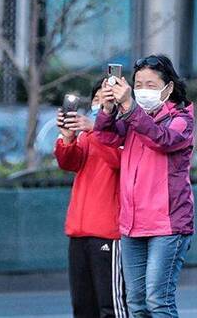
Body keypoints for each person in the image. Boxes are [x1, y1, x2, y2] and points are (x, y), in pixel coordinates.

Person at [94, 55, 194, 317]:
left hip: (168, 225)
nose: (143, 90)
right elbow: (104, 137)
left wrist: (128, 106)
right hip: (132, 223)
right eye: (138, 84)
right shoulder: (133, 117)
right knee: (136, 304)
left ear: (168, 87)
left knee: (158, 301)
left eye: (151, 84)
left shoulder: (182, 119)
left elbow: (162, 139)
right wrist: (107, 109)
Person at [54, 78, 127, 317]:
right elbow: (69, 163)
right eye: (95, 99)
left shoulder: (124, 131)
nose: (97, 104)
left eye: (104, 100)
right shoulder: (87, 135)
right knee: (82, 306)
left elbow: (118, 162)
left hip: (108, 231)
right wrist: (67, 137)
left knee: (111, 306)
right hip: (79, 229)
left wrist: (94, 129)